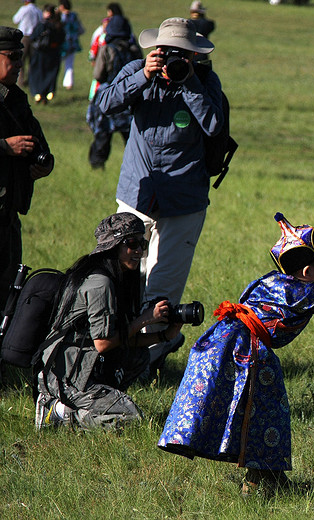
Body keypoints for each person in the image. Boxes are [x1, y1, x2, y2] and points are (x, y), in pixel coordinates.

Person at [158, 213, 314, 495]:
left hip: (228, 343)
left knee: (258, 411)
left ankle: (268, 473)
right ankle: (257, 480)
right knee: (265, 412)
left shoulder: (285, 280)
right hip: (244, 353)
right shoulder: (300, 294)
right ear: (308, 272)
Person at [96, 17, 223, 367]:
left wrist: (188, 84)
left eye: (182, 54)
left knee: (161, 287)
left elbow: (214, 125)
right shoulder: (139, 70)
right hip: (137, 193)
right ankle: (117, 348)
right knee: (125, 277)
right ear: (154, 50)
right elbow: (103, 104)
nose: (173, 59)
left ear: (195, 55)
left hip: (182, 202)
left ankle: (149, 358)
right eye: (166, 52)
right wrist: (144, 76)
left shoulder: (205, 82)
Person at [35, 213, 183, 430]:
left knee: (139, 357)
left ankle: (99, 401)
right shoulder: (100, 283)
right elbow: (103, 343)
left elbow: (120, 338)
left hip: (86, 364)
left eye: (142, 243)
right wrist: (145, 320)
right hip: (67, 378)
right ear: (113, 246)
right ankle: (58, 411)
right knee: (133, 421)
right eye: (131, 244)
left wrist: (163, 336)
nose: (139, 251)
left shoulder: (117, 277)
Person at [0, 26, 54, 315]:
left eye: (22, 56)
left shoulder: (16, 99)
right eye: (12, 56)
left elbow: (38, 142)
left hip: (8, 213)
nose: (20, 63)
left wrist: (44, 164)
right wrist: (4, 147)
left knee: (8, 288)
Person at [87, 14, 141, 170]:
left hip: (110, 96)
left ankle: (97, 165)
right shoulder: (134, 50)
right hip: (131, 97)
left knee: (103, 135)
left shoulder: (107, 49)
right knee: (132, 138)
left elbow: (98, 74)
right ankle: (135, 167)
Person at [28, 4, 65, 105]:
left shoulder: (43, 24)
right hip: (54, 53)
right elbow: (62, 39)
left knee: (38, 74)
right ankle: (48, 93)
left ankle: (37, 94)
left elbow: (33, 37)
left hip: (40, 53)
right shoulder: (58, 25)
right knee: (50, 74)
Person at [12, 0, 43, 87]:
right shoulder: (38, 10)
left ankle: (20, 81)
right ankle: (31, 81)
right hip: (35, 37)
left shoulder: (24, 9)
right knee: (32, 60)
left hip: (24, 36)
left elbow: (15, 19)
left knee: (21, 59)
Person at [58, 0, 84, 91]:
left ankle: (52, 82)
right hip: (72, 43)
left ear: (62, 6)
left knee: (56, 63)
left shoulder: (61, 16)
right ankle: (69, 84)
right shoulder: (74, 16)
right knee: (69, 64)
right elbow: (81, 29)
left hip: (62, 43)